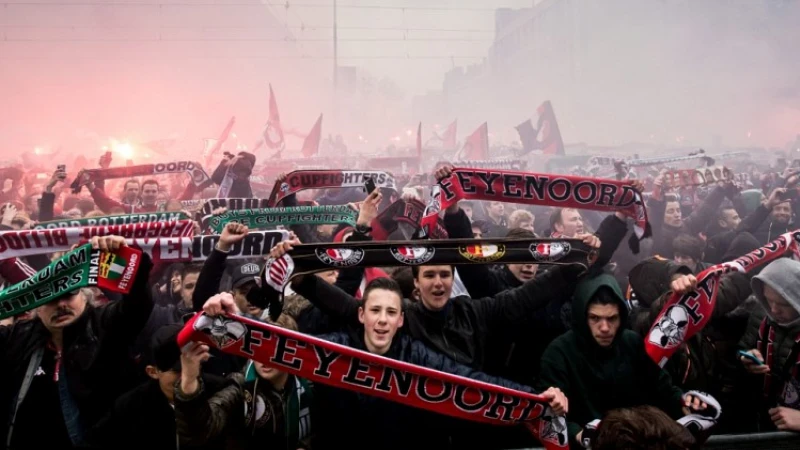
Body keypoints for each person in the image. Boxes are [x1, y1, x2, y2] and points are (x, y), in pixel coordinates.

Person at [199, 278, 568, 450]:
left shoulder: (416, 355)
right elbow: (278, 346)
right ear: (361, 315)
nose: (382, 320)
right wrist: (226, 318)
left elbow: (469, 381)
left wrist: (535, 399)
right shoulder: (334, 348)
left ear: (400, 320)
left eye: (390, 312)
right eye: (375, 310)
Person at [0, 236, 154, 449]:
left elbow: (138, 304)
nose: (61, 304)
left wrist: (125, 255)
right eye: (50, 299)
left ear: (84, 294)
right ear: (36, 307)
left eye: (69, 294)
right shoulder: (19, 336)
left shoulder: (105, 324)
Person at [538, 273, 708, 448]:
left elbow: (661, 386)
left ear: (622, 316)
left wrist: (685, 402)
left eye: (612, 318)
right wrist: (578, 434)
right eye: (595, 318)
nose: (604, 328)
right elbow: (550, 415)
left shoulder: (632, 343)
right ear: (582, 317)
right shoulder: (558, 353)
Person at [175, 309, 313, 450]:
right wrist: (189, 380)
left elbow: (326, 428)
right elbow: (201, 431)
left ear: (291, 354)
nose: (264, 359)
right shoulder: (240, 386)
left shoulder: (309, 385)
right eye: (259, 349)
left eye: (274, 352)